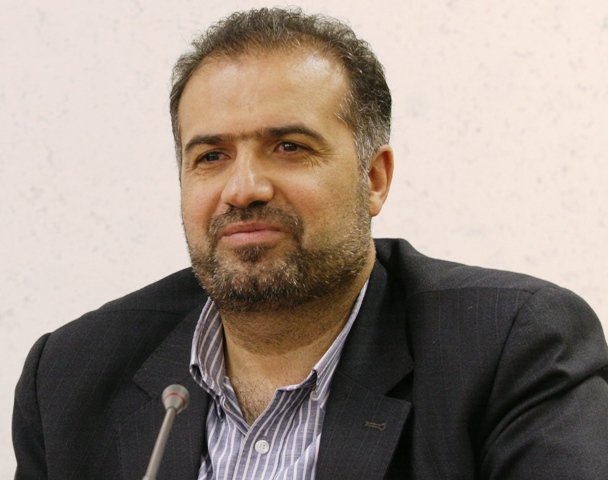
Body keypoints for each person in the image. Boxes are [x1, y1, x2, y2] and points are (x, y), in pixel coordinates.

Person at [12, 7, 608, 480]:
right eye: (212, 156)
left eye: (289, 147)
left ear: (374, 179)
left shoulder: (509, 347)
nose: (243, 188)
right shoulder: (69, 376)